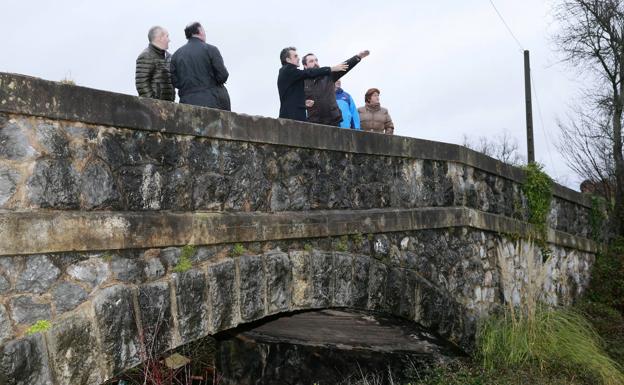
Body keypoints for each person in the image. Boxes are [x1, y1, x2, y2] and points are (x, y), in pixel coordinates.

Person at [277, 47, 348, 122]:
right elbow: (309, 73)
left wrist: (303, 102)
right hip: (291, 118)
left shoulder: (290, 73)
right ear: (288, 60)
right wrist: (331, 69)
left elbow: (290, 96)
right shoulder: (288, 70)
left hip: (292, 117)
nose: (298, 58)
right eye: (295, 56)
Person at [171, 22, 231, 110]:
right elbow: (223, 75)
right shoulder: (211, 49)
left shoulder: (176, 55)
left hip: (186, 101)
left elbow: (175, 81)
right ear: (200, 31)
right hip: (213, 101)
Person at [302, 50, 369, 126]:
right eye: (311, 61)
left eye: (316, 60)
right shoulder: (301, 81)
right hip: (314, 121)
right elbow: (296, 99)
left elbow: (344, 66)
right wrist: (304, 102)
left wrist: (357, 57)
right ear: (305, 66)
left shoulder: (328, 75)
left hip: (333, 120)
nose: (315, 63)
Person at [135, 26, 175, 101]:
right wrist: (153, 104)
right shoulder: (146, 55)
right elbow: (142, 84)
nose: (169, 40)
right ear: (159, 38)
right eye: (167, 36)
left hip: (169, 106)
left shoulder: (169, 57)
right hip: (155, 108)